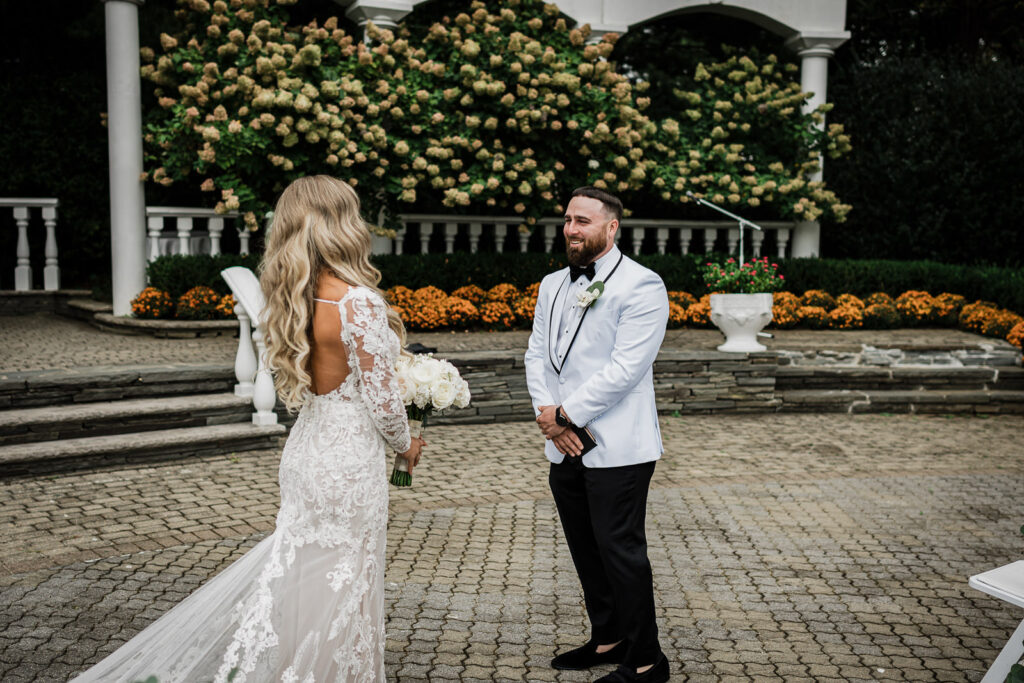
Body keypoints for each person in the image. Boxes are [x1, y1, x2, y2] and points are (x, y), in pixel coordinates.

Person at [70, 175, 424, 682]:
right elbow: (384, 405)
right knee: (346, 579)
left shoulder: (290, 297)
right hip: (348, 460)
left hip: (306, 451)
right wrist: (407, 447)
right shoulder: (358, 302)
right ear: (340, 223)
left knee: (305, 574)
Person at [525, 186, 671, 683]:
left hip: (618, 446)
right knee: (585, 547)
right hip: (562, 443)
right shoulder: (551, 285)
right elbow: (536, 356)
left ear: (612, 227)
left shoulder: (642, 285)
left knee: (621, 549)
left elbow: (626, 368)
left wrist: (564, 414)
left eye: (583, 221)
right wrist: (548, 415)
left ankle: (648, 659)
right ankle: (608, 637)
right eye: (567, 219)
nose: (571, 229)